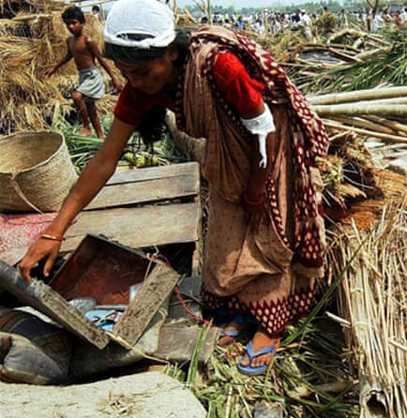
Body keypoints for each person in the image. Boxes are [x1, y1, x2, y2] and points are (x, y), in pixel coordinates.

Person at [19, 0, 329, 377]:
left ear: (171, 53)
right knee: (227, 234)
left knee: (266, 232)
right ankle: (244, 311)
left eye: (145, 71)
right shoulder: (140, 86)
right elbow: (105, 160)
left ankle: (271, 326)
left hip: (269, 144)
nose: (136, 81)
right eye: (126, 72)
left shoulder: (217, 65)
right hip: (227, 148)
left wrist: (258, 184)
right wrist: (54, 231)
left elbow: (262, 126)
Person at [45, 6, 123, 139]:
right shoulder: (69, 41)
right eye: (68, 24)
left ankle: (86, 126)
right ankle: (100, 136)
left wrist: (114, 77)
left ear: (82, 22)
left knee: (76, 96)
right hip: (82, 76)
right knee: (90, 108)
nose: (71, 26)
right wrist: (54, 68)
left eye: (74, 23)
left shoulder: (88, 41)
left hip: (92, 75)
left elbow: (101, 60)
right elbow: (68, 56)